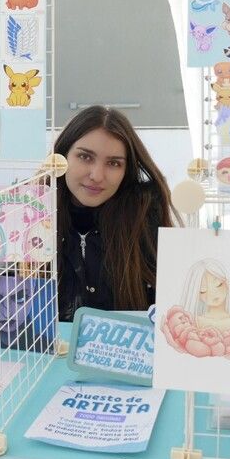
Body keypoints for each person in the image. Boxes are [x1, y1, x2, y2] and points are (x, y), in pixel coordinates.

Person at [54, 106, 179, 321]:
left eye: (113, 163)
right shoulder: (30, 216)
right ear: (62, 156)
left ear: (126, 170)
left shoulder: (144, 218)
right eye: (85, 157)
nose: (97, 175)